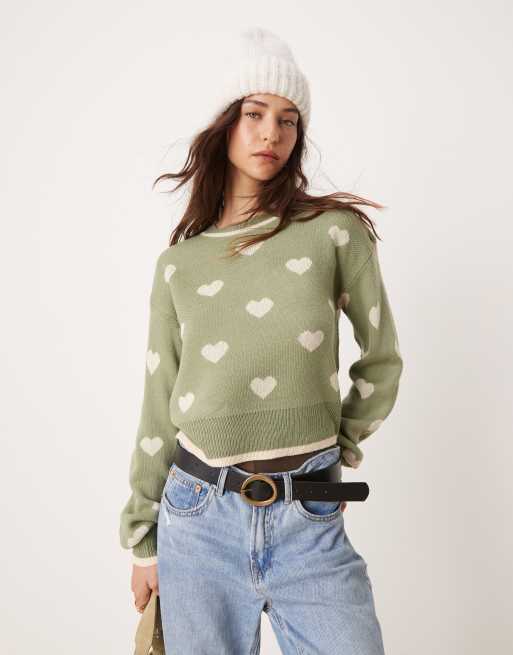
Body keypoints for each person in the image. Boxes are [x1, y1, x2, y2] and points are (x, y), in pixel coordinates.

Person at [119, 26, 403, 654]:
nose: (271, 133)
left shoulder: (334, 232)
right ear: (225, 125)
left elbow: (382, 360)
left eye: (287, 120)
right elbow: (159, 403)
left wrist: (337, 451)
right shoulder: (179, 266)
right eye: (254, 114)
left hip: (310, 518)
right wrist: (143, 540)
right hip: (197, 519)